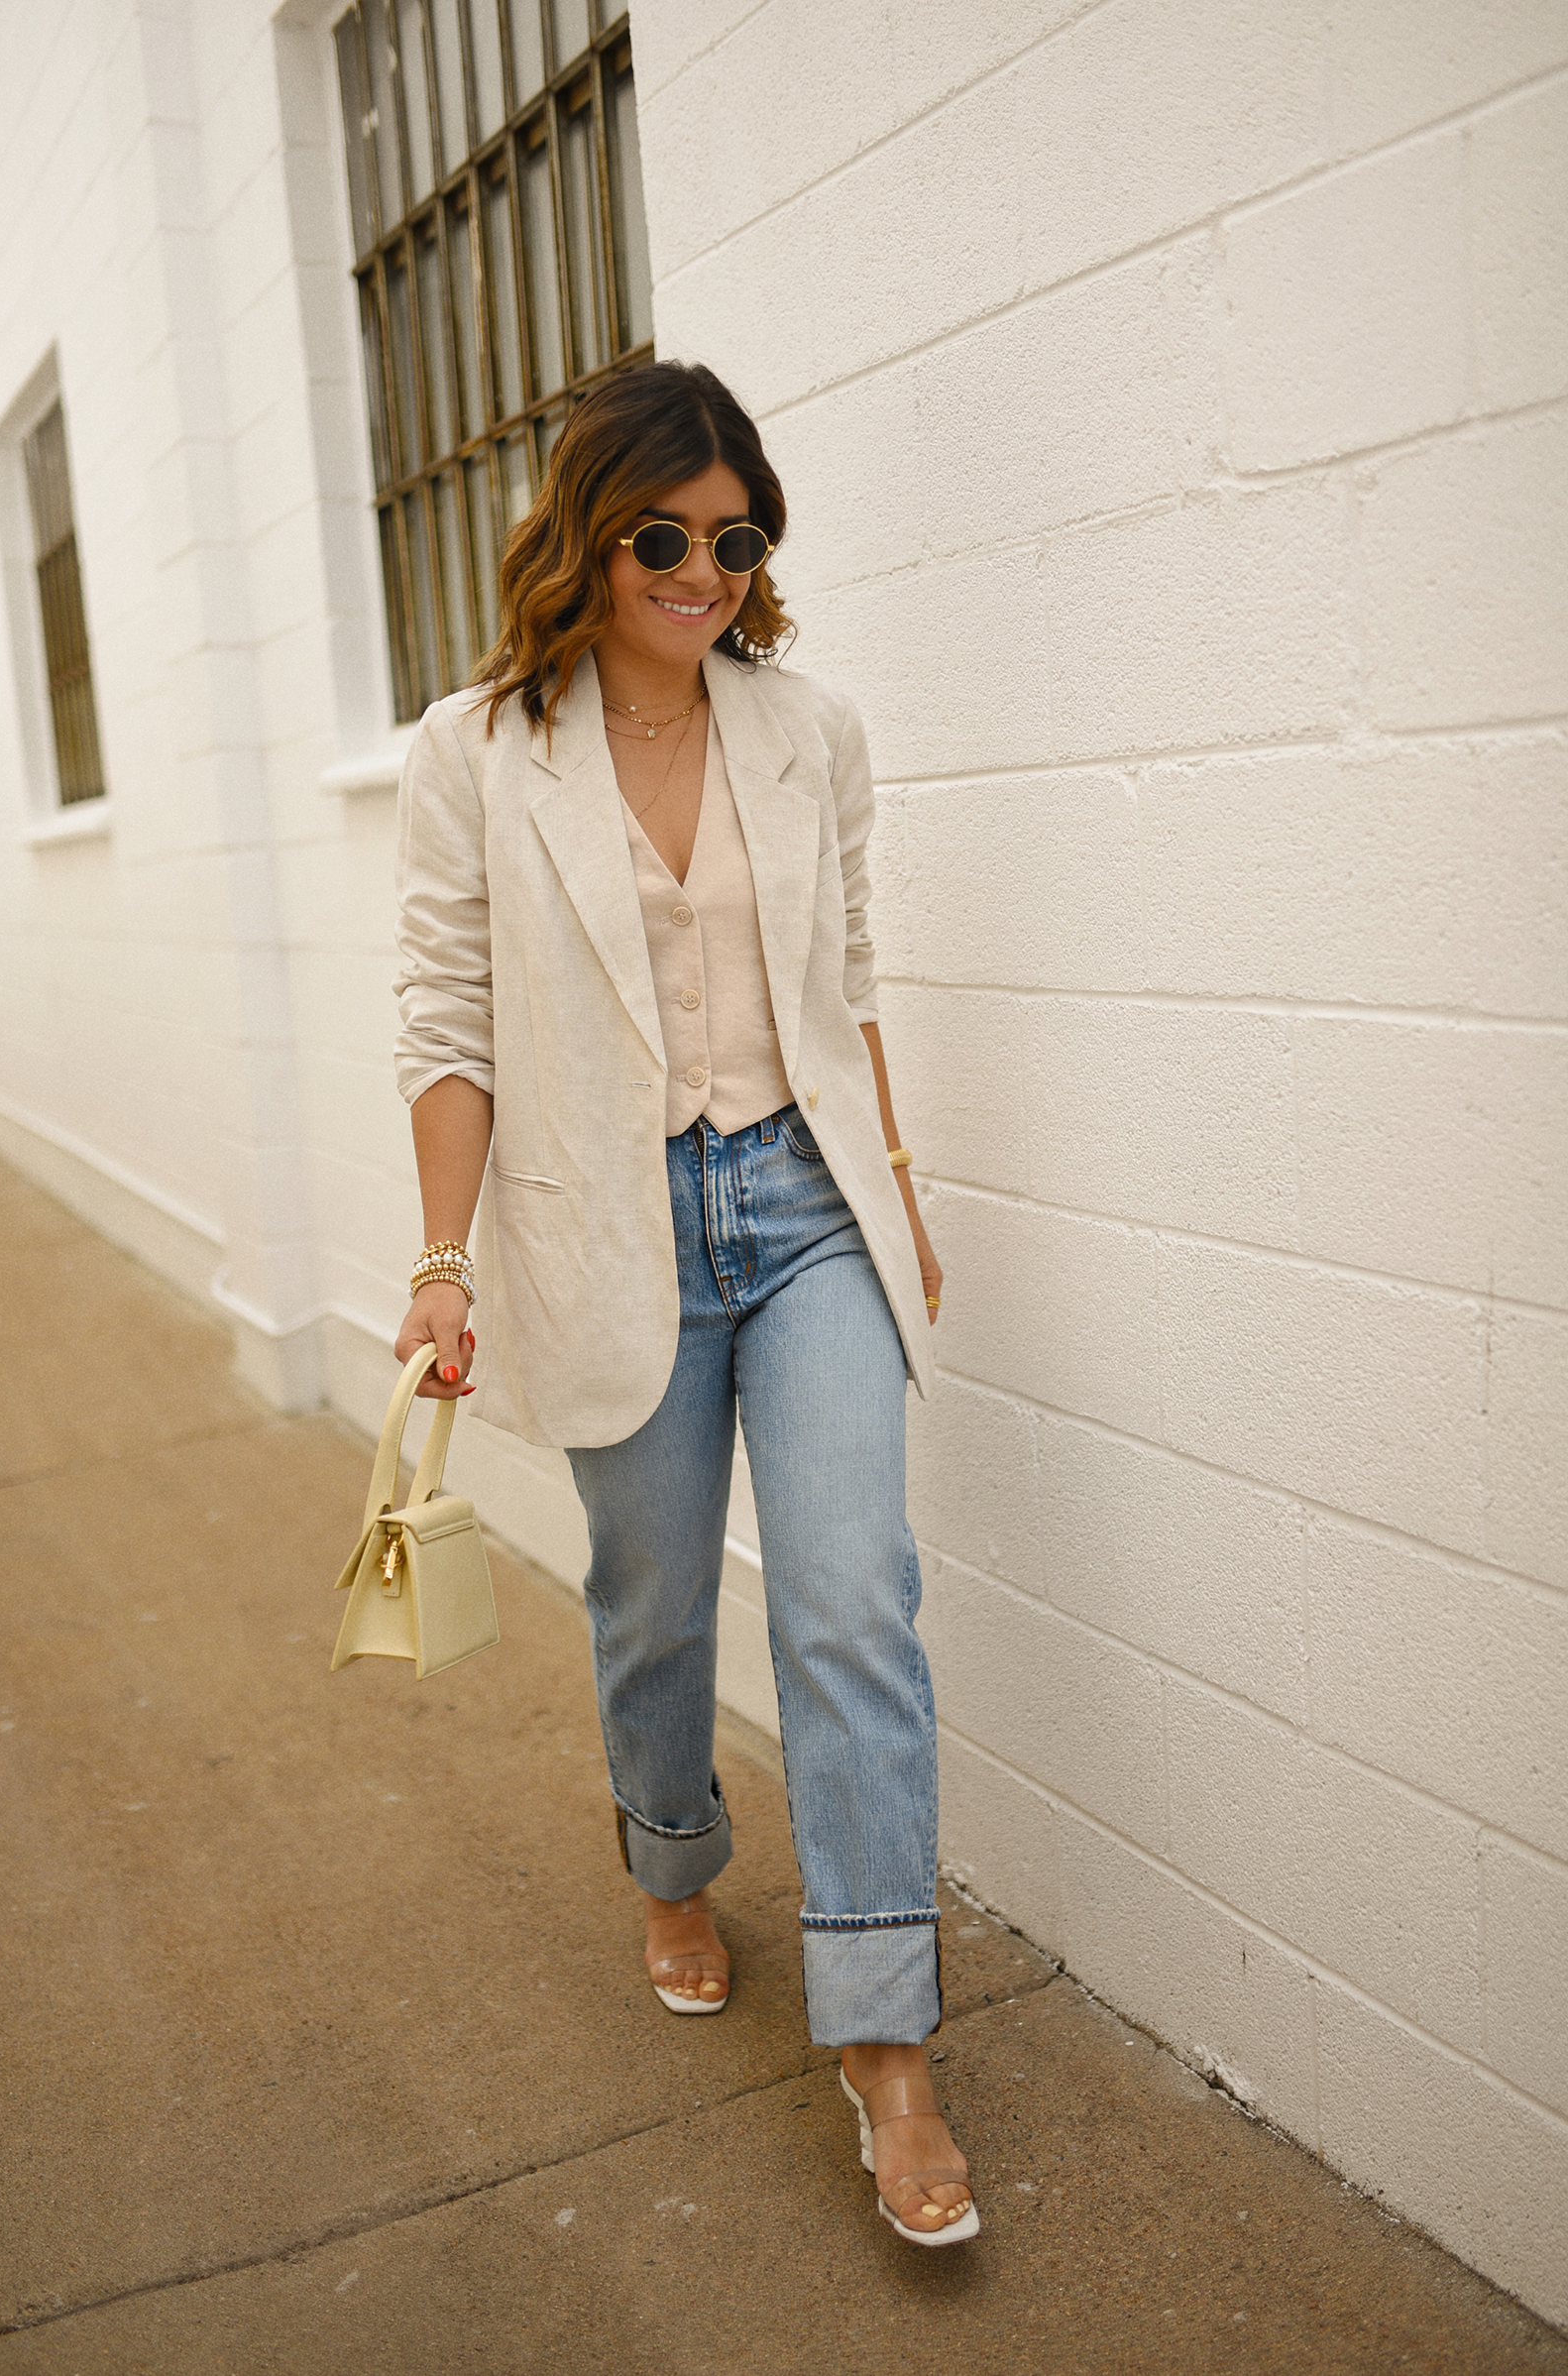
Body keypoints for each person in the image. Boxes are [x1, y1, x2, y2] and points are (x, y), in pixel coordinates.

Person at [390, 361, 976, 2246]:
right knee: (649, 1612)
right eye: (664, 534)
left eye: (737, 538)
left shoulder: (808, 729)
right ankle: (672, 1864)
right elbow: (448, 1021)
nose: (703, 570)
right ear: (586, 534)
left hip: (801, 1208)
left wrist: (894, 1190)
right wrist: (440, 1260)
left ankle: (887, 2043)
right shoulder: (474, 754)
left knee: (851, 1609)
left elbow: (852, 968)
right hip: (604, 1224)